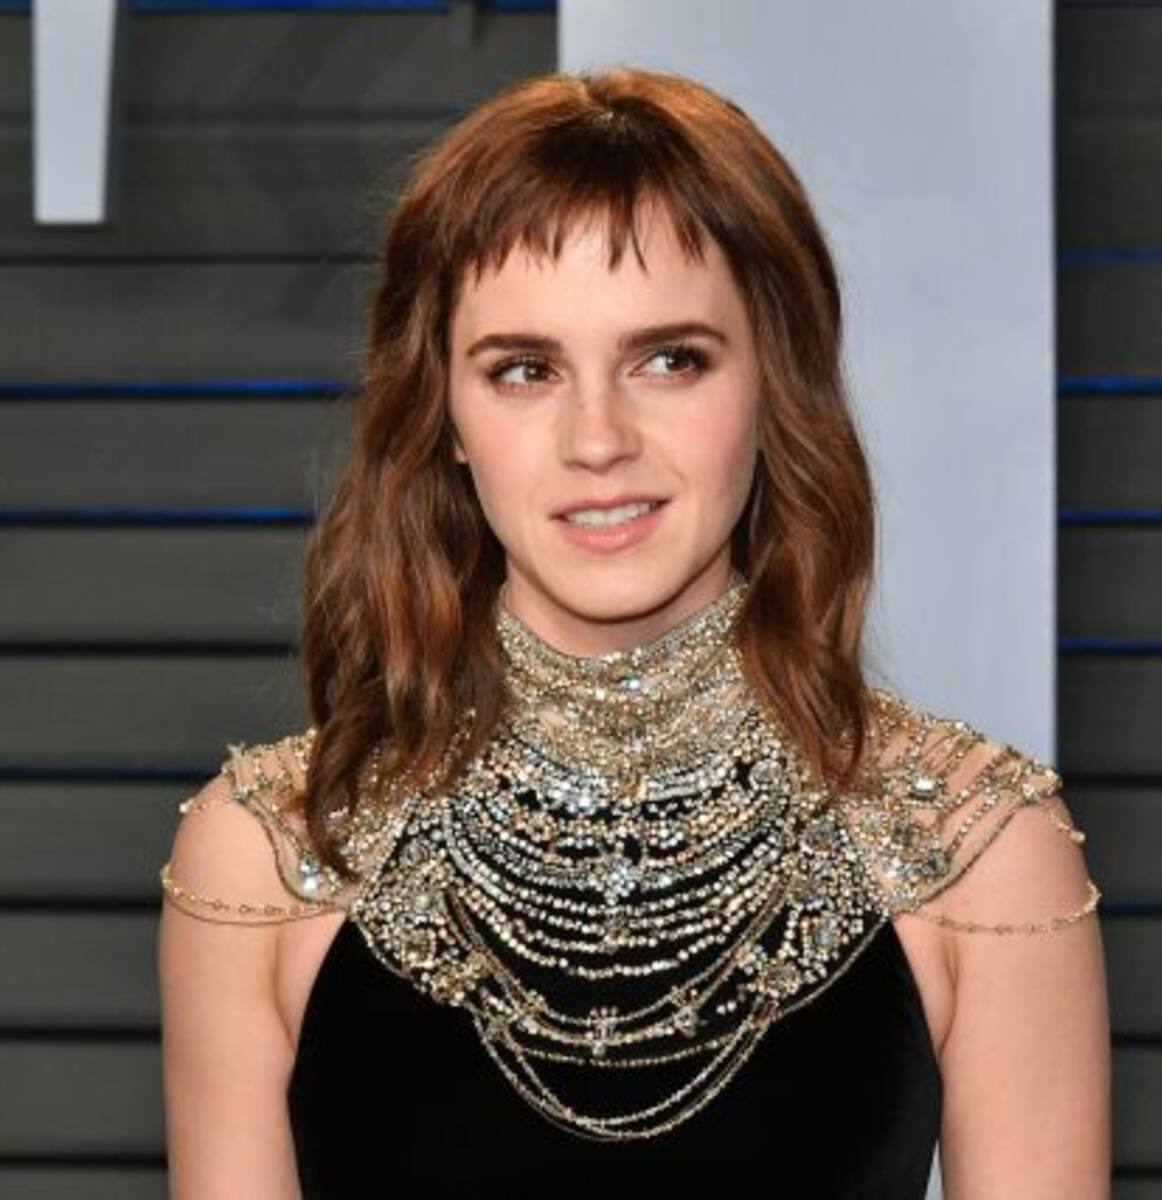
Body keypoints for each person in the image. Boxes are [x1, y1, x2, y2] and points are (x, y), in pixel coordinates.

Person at [157, 66, 1110, 1198]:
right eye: (525, 370)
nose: (598, 439)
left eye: (669, 360)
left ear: (776, 381)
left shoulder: (982, 848)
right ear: (444, 413)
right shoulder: (267, 855)